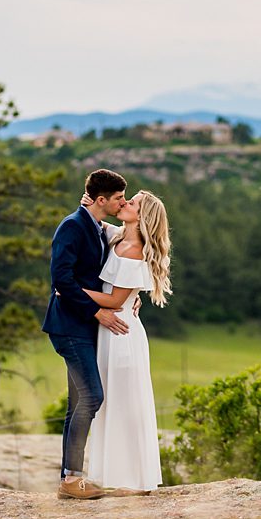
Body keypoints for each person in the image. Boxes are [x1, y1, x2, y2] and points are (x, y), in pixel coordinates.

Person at [43, 168, 130, 499]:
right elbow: (61, 280)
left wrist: (129, 300)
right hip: (69, 325)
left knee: (78, 400)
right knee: (93, 396)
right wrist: (97, 311)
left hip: (83, 325)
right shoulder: (72, 226)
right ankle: (71, 478)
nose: (122, 202)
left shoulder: (94, 226)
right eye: (119, 197)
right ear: (101, 200)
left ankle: (69, 477)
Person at [79, 191, 170, 492]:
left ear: (142, 216)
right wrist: (90, 204)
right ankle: (113, 475)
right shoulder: (119, 235)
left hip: (121, 332)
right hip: (111, 329)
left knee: (123, 401)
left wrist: (71, 291)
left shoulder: (133, 249)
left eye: (132, 203)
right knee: (111, 401)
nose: (125, 203)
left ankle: (129, 478)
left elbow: (115, 299)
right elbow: (98, 222)